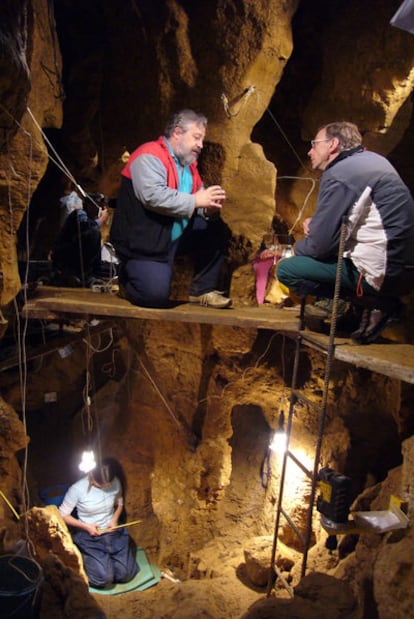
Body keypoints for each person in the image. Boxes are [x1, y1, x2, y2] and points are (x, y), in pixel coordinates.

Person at [277, 121, 414, 344]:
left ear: (333, 144)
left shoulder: (341, 173)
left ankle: (374, 303)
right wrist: (321, 225)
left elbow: (320, 247)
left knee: (289, 269)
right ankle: (368, 306)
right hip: (404, 269)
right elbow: (359, 218)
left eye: (314, 144)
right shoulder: (374, 161)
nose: (310, 151)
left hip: (382, 272)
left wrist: (297, 247)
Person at [110, 109, 232, 308]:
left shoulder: (189, 166)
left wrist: (208, 208)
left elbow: (197, 201)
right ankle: (125, 280)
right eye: (196, 137)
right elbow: (152, 196)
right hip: (143, 242)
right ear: (177, 133)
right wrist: (197, 201)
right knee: (154, 296)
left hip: (170, 237)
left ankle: (202, 290)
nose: (200, 145)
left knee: (216, 228)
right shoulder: (149, 155)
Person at [59, 459, 138, 588]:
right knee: (103, 579)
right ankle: (86, 557)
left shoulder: (115, 482)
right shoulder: (77, 489)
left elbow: (120, 504)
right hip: (90, 536)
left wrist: (114, 519)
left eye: (108, 484)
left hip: (112, 533)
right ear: (91, 476)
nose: (106, 487)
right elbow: (63, 514)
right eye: (100, 485)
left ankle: (107, 561)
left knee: (125, 575)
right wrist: (86, 526)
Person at [52, 192, 110, 287]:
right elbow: (86, 229)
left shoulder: (90, 220)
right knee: (94, 233)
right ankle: (71, 274)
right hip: (67, 260)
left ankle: (92, 276)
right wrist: (100, 221)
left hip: (80, 263)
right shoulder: (79, 214)